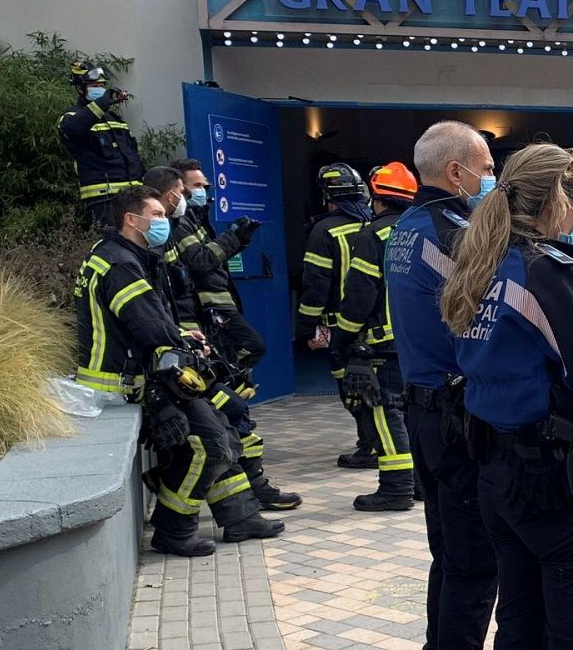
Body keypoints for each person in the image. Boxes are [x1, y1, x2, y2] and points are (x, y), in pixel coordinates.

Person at [440, 143, 573, 650]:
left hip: (497, 471)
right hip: (556, 483)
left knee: (521, 618)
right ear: (556, 199)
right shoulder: (548, 271)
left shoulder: (482, 261)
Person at [73, 186, 283, 556]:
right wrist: (182, 349)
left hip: (144, 373)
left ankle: (239, 515)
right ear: (131, 219)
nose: (163, 221)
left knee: (224, 426)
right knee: (209, 444)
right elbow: (148, 327)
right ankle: (173, 528)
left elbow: (150, 320)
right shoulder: (122, 263)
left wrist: (183, 335)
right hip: (130, 382)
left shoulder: (122, 255)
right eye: (155, 214)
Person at [387, 121, 500, 649]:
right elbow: (496, 318)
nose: (493, 180)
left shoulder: (406, 225)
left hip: (423, 410)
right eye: (488, 170)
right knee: (475, 565)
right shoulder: (457, 234)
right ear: (456, 172)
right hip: (458, 415)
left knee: (451, 555)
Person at [167, 159, 301, 511]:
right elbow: (199, 262)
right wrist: (233, 237)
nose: (203, 192)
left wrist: (238, 239)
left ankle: (254, 490)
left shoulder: (196, 220)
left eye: (206, 186)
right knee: (238, 390)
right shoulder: (177, 226)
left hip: (215, 317)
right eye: (196, 186)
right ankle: (252, 491)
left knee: (235, 411)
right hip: (208, 319)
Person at [330, 161, 419, 512]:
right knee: (419, 413)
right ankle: (422, 483)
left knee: (386, 411)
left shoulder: (374, 234)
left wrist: (342, 337)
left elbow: (360, 294)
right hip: (425, 342)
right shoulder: (425, 229)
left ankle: (397, 487)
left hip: (384, 343)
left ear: (377, 197)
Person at [295, 162, 376, 468]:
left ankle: (370, 446)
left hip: (340, 326)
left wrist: (306, 326)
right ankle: (377, 441)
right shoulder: (375, 224)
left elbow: (316, 284)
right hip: (378, 324)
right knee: (379, 386)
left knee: (352, 388)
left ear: (327, 195)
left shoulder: (323, 230)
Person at [58, 59, 145, 227]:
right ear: (80, 88)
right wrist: (101, 104)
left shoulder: (116, 120)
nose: (100, 89)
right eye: (94, 85)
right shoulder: (71, 116)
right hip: (103, 201)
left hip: (133, 197)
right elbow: (73, 130)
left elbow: (133, 156)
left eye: (102, 85)